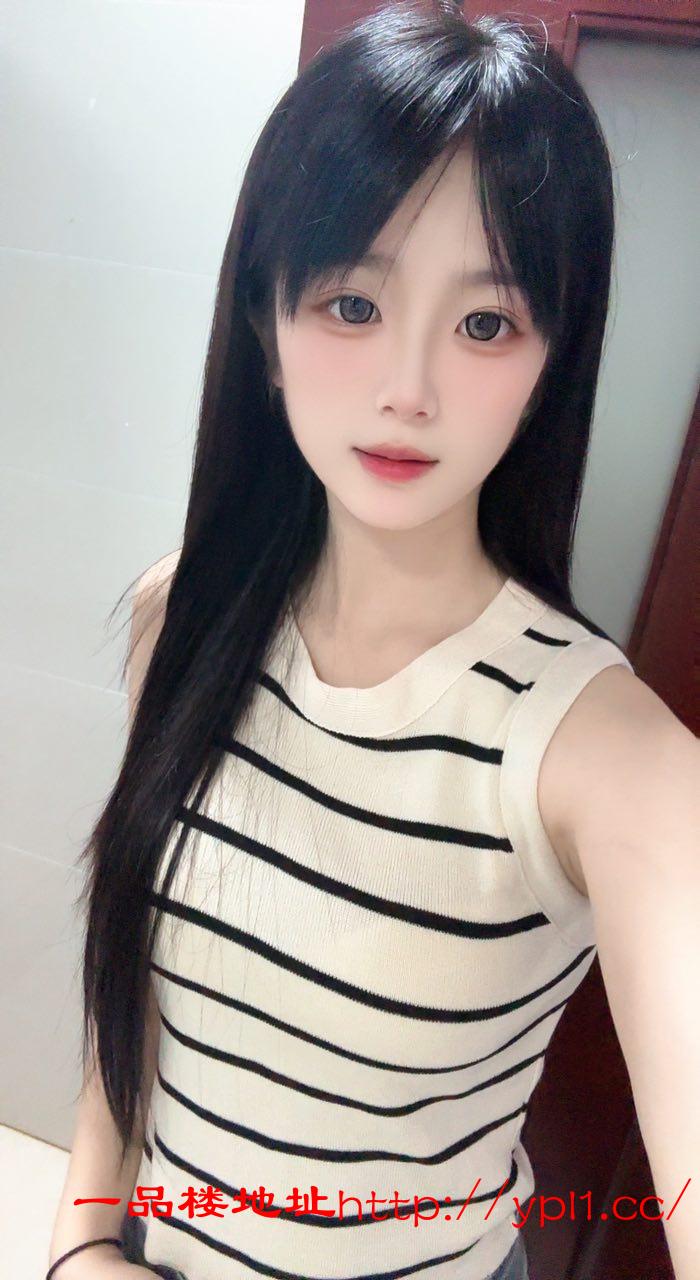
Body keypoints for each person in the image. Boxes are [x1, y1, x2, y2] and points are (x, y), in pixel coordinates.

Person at [47, 3, 699, 1279]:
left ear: (550, 361)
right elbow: (133, 990)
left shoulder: (598, 752)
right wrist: (81, 1239)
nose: (410, 387)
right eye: (351, 302)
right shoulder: (182, 617)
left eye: (484, 323)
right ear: (265, 322)